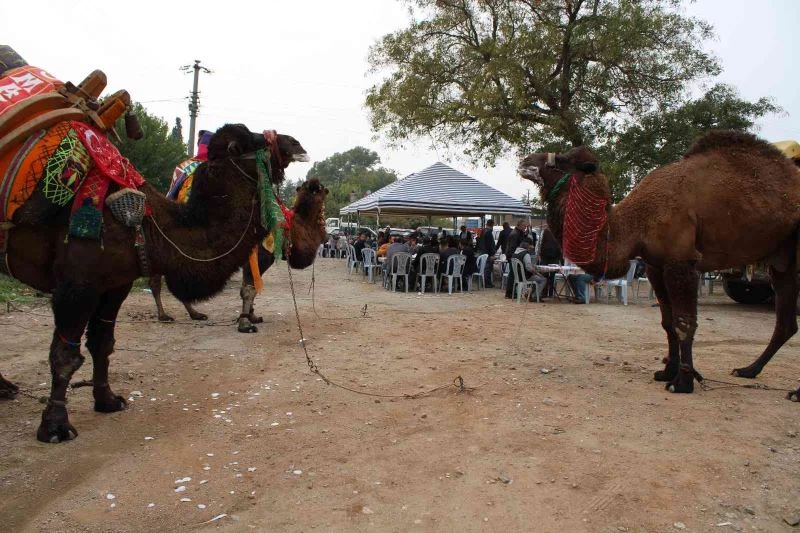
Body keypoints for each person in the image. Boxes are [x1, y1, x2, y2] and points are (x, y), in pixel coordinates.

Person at [477, 219, 496, 288]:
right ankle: (487, 283)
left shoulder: (483, 231)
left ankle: (485, 282)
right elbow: (489, 245)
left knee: (484, 268)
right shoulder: (488, 232)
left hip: (482, 252)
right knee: (488, 269)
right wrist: (491, 254)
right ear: (492, 225)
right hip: (487, 253)